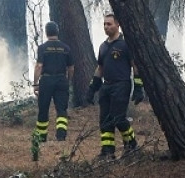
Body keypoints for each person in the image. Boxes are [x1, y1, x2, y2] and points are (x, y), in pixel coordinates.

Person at [86, 13, 142, 159]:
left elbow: (135, 66)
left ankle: (132, 145)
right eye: (104, 24)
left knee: (119, 118)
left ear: (117, 25)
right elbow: (100, 68)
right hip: (106, 86)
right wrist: (92, 88)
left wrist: (138, 87)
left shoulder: (126, 44)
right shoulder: (103, 47)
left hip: (121, 85)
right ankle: (108, 151)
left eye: (109, 24)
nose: (106, 27)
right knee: (105, 121)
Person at [32, 21, 74, 147]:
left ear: (46, 33)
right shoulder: (66, 48)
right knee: (61, 109)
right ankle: (61, 136)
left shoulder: (43, 48)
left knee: (43, 108)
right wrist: (69, 80)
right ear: (57, 32)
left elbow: (39, 66)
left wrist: (35, 84)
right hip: (61, 80)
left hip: (46, 80)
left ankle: (41, 137)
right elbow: (71, 68)